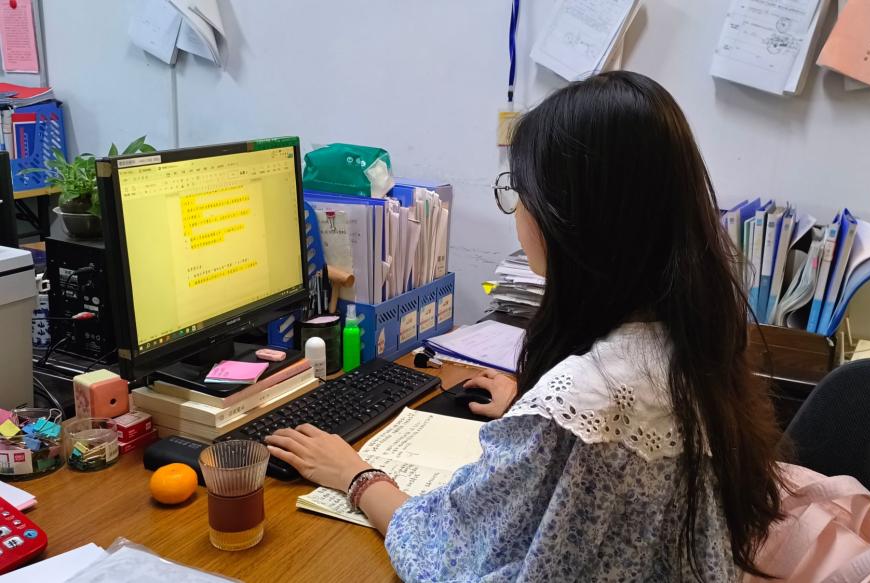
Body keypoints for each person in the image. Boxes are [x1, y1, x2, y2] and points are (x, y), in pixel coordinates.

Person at [266, 71, 785, 581]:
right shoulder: (692, 344)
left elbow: (448, 552)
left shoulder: (588, 397)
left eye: (520, 192)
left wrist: (355, 475)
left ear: (574, 216)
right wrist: (537, 414)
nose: (518, 211)